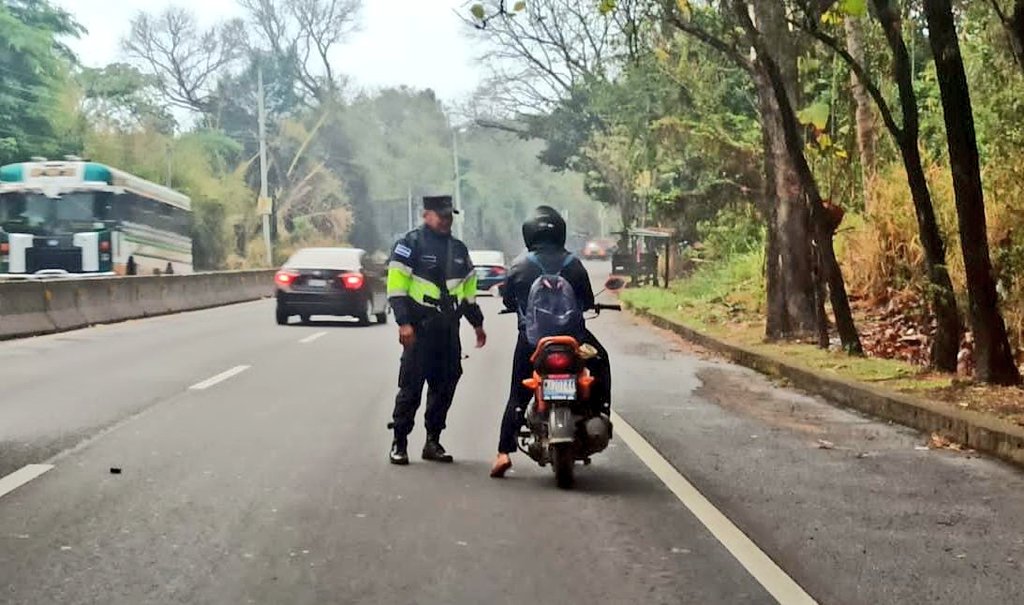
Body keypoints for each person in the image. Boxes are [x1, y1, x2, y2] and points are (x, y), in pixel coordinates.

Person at [490, 206, 611, 478]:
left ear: (528, 233)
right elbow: (587, 300)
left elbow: (509, 300)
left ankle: (502, 453)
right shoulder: (574, 264)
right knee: (601, 361)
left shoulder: (520, 265)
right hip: (573, 341)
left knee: (518, 392)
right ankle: (601, 412)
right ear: (560, 232)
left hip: (533, 341)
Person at [386, 195, 487, 465]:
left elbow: (467, 293)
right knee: (411, 387)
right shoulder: (410, 244)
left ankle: (433, 440)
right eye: (440, 215)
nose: (446, 220)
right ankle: (400, 441)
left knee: (445, 385)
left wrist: (477, 324)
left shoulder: (459, 249)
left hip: (448, 331)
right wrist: (403, 323)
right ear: (425, 215)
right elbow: (396, 288)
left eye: (449, 216)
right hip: (419, 328)